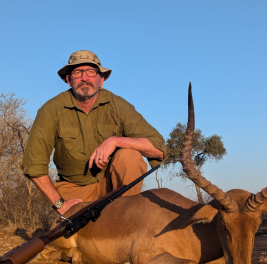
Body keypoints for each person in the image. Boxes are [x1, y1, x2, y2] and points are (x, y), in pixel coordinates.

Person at [21, 50, 166, 215]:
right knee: (68, 237)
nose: (84, 78)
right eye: (77, 72)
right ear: (69, 80)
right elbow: (33, 165)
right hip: (74, 190)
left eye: (91, 71)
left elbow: (159, 148)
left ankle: (126, 217)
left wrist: (116, 141)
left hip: (113, 188)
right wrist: (60, 204)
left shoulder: (119, 106)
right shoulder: (50, 110)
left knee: (130, 156)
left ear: (101, 79)